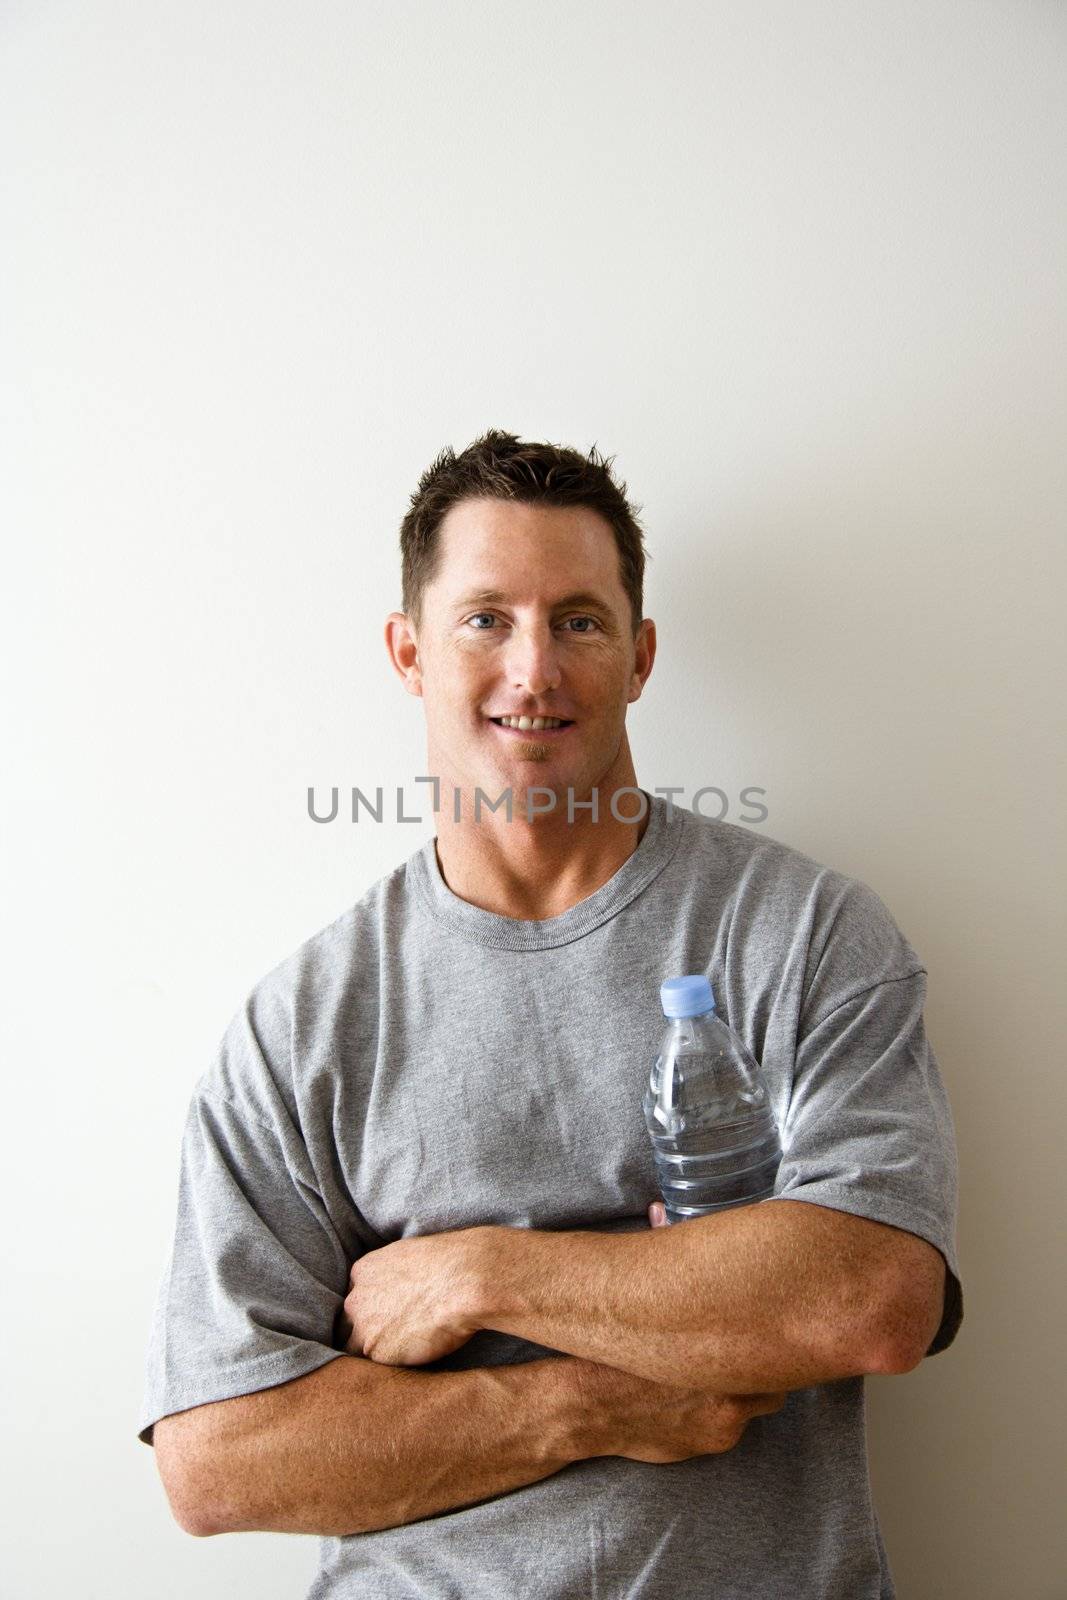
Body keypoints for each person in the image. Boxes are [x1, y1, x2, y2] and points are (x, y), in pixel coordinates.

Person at [137, 429, 963, 1599]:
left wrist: (477, 1276)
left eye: (577, 619)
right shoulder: (303, 1026)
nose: (534, 669)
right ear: (407, 652)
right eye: (484, 619)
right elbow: (218, 1461)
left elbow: (872, 1297)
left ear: (639, 656)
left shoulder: (804, 933)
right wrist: (586, 1401)